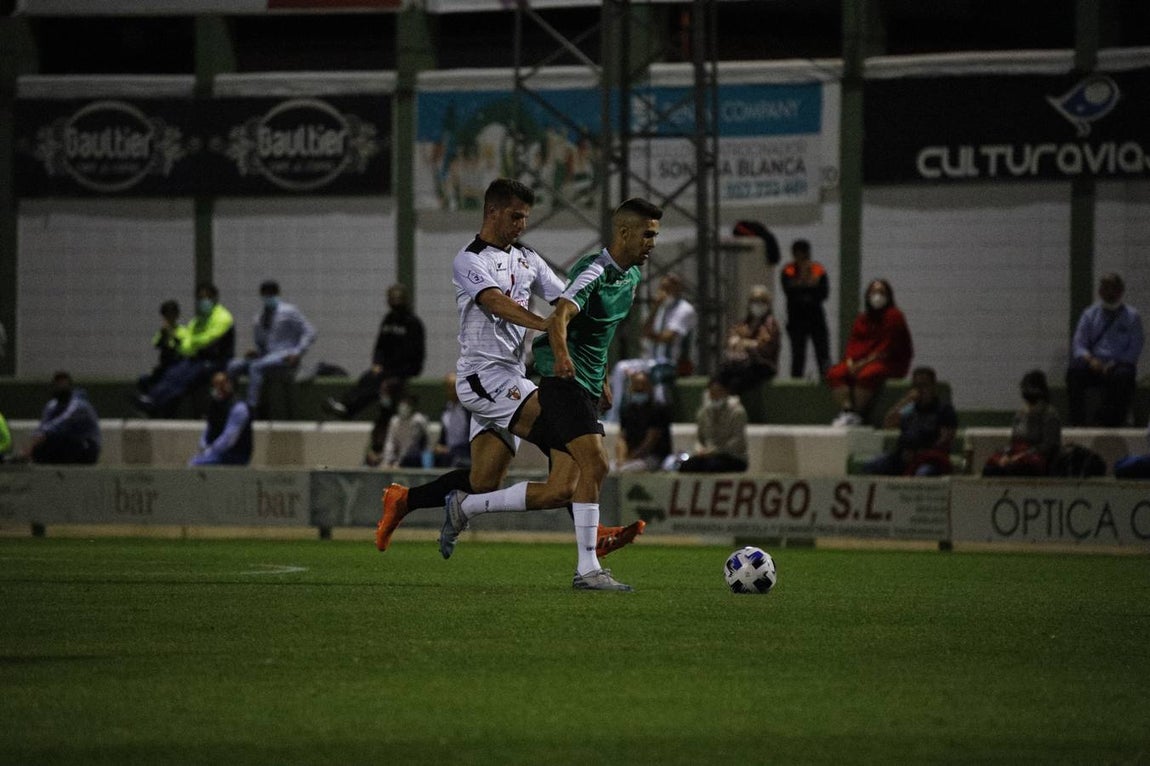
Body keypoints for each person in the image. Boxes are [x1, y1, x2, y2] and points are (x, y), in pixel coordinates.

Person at [373, 179, 645, 567]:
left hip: (510, 378)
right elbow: (496, 303)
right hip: (485, 379)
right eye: (515, 216)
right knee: (569, 438)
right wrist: (546, 326)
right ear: (492, 212)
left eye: (525, 217)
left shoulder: (528, 259)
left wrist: (590, 364)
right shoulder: (469, 260)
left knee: (483, 481)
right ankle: (592, 533)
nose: (521, 224)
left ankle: (404, 500)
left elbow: (567, 299)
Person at [446, 195, 665, 591]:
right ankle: (588, 568)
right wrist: (562, 356)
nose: (652, 243)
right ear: (625, 232)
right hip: (557, 381)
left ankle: (466, 505)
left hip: (579, 382)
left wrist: (600, 377)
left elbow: (593, 331)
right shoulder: (594, 269)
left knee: (562, 486)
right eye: (647, 235)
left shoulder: (630, 277)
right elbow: (562, 311)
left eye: (655, 236)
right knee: (595, 464)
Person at [322, 283, 426, 423]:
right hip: (386, 368)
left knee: (380, 384)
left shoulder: (413, 323)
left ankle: (348, 409)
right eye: (392, 299)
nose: (395, 302)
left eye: (398, 299)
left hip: (404, 370)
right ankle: (345, 406)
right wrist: (377, 363)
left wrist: (399, 372)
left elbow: (416, 355)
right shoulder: (388, 320)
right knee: (368, 377)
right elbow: (380, 346)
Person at [604, 272, 697, 422]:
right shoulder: (660, 308)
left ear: (678, 289)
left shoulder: (684, 310)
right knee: (620, 368)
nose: (664, 292)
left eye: (669, 288)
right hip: (652, 360)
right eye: (662, 288)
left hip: (673, 363)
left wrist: (651, 334)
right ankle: (613, 417)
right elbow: (645, 331)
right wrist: (655, 308)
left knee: (657, 375)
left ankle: (660, 420)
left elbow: (668, 338)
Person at [133, 282, 235, 417]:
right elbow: (186, 345)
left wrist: (192, 343)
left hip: (216, 361)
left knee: (186, 377)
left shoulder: (223, 317)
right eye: (200, 298)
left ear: (215, 298)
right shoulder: (198, 320)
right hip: (197, 358)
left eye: (207, 297)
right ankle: (151, 400)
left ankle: (158, 405)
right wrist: (191, 344)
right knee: (173, 373)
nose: (203, 301)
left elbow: (207, 340)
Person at [826, 278, 914, 426]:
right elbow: (852, 345)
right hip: (861, 362)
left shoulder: (894, 316)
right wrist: (850, 363)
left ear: (888, 295)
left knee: (867, 374)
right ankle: (847, 411)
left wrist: (861, 365)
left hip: (889, 362)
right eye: (874, 292)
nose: (877, 295)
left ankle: (857, 414)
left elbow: (887, 349)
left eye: (881, 292)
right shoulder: (862, 318)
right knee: (835, 373)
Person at [1066, 272, 1143, 427]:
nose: (1108, 291)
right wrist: (1091, 360)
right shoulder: (1089, 314)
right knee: (1074, 371)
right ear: (1100, 291)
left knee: (1124, 376)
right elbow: (1079, 345)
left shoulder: (1132, 316)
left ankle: (1112, 423)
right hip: (1094, 364)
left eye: (1112, 288)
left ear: (1120, 291)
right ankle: (1078, 423)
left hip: (1118, 365)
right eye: (1104, 288)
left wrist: (1115, 363)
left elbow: (1135, 347)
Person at [227, 280, 316, 412]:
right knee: (233, 366)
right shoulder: (260, 318)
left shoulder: (288, 311)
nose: (268, 297)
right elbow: (262, 344)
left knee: (256, 367)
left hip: (285, 356)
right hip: (267, 356)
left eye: (271, 294)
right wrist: (256, 352)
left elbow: (310, 331)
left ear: (277, 294)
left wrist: (297, 352)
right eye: (265, 294)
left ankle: (252, 407)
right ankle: (231, 402)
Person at [861, 366, 958, 477]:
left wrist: (919, 453)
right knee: (871, 466)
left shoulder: (943, 410)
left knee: (923, 473)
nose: (920, 390)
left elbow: (945, 439)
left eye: (924, 385)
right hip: (903, 455)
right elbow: (888, 423)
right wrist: (906, 401)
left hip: (929, 459)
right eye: (916, 386)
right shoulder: (909, 409)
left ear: (933, 387)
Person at [982, 369, 1062, 477]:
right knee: (991, 468)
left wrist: (1021, 456)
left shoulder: (1050, 415)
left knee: (1016, 468)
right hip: (1018, 455)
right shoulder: (1020, 415)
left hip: (1037, 460)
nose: (1029, 404)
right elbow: (1013, 441)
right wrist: (1006, 455)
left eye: (1033, 400)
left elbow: (1048, 447)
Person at [21, 371, 101, 465]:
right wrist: (34, 440)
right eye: (58, 385)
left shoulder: (80, 405)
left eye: (64, 385)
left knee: (57, 441)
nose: (61, 388)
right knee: (42, 449)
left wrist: (41, 436)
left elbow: (61, 423)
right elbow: (43, 425)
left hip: (86, 446)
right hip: (65, 444)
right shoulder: (52, 405)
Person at [716, 284, 781, 395]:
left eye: (762, 301)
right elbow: (732, 339)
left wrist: (746, 343)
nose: (758, 305)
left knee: (736, 382)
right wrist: (740, 342)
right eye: (755, 301)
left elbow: (764, 345)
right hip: (741, 363)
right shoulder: (744, 323)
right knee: (720, 376)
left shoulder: (770, 324)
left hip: (762, 366)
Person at [780, 239, 831, 379]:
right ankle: (795, 385)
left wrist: (802, 286)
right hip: (796, 320)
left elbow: (823, 293)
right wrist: (807, 283)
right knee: (798, 356)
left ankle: (827, 382)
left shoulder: (817, 269)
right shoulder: (788, 270)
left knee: (823, 354)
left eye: (804, 254)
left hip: (816, 319)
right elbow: (789, 291)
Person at [677, 376, 749, 473]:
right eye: (712, 393)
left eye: (719, 392)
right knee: (687, 466)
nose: (715, 396)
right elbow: (699, 438)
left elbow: (737, 441)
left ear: (726, 392)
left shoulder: (737, 412)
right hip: (707, 455)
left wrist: (714, 451)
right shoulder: (703, 412)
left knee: (713, 466)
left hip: (732, 456)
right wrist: (700, 450)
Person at [188, 371, 253, 467]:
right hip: (216, 452)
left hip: (236, 455)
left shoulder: (239, 408)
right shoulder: (215, 404)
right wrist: (204, 445)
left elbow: (229, 438)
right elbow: (209, 428)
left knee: (194, 465)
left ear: (230, 384)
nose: (219, 388)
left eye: (222, 384)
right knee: (194, 461)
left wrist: (211, 450)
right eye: (216, 384)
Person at [614, 370, 672, 473]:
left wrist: (632, 457)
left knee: (627, 469)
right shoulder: (628, 410)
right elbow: (622, 437)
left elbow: (651, 440)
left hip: (654, 456)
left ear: (650, 387)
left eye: (643, 385)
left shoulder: (658, 409)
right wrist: (621, 459)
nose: (639, 388)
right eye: (636, 386)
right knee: (609, 468)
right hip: (631, 457)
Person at [137, 299, 186, 393]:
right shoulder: (162, 332)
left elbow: (182, 347)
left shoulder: (183, 331)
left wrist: (172, 334)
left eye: (172, 314)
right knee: (144, 379)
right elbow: (157, 344)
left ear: (177, 315)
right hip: (163, 366)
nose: (169, 318)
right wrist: (164, 333)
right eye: (167, 315)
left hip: (177, 366)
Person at [431, 372, 471, 469]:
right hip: (448, 453)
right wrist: (439, 446)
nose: (452, 391)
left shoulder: (468, 410)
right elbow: (444, 437)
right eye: (449, 387)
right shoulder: (445, 411)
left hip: (465, 453)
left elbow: (472, 439)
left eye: (454, 387)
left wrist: (450, 450)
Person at [380, 395, 431, 468]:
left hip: (414, 458)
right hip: (397, 459)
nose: (404, 407)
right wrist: (387, 460)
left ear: (412, 406)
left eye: (407, 404)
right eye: (402, 404)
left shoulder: (419, 420)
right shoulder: (394, 421)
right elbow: (390, 442)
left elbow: (427, 441)